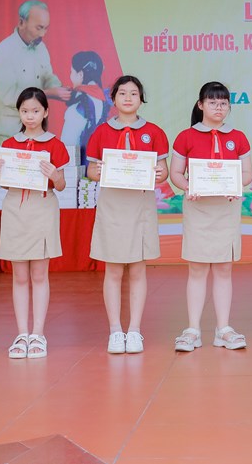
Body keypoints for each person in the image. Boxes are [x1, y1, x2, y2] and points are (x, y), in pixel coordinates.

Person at [85, 75, 169, 354]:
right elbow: (91, 170)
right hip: (112, 205)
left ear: (141, 99)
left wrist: (160, 173)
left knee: (137, 268)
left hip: (140, 205)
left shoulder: (154, 132)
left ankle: (134, 330)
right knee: (112, 269)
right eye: (122, 93)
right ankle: (115, 331)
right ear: (114, 99)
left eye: (134, 93)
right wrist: (97, 172)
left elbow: (163, 171)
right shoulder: (101, 132)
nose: (128, 98)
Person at [169, 81, 252, 352]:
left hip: (226, 209)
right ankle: (193, 330)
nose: (219, 107)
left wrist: (235, 185)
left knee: (223, 269)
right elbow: (176, 173)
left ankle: (223, 329)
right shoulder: (186, 137)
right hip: (198, 208)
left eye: (223, 103)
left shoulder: (238, 137)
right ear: (201, 105)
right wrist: (188, 187)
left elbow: (247, 174)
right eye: (213, 102)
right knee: (197, 269)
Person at [0, 87, 70, 359]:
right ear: (19, 113)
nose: (30, 116)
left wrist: (54, 175)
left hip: (43, 208)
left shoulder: (55, 145)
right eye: (25, 111)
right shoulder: (9, 145)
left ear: (45, 112)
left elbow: (61, 185)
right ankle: (22, 334)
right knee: (20, 276)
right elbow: (5, 183)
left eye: (35, 111)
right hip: (15, 209)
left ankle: (38, 334)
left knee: (39, 275)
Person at [0, 0, 71, 146]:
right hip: (8, 134)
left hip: (36, 133)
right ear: (22, 23)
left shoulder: (41, 48)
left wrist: (61, 89)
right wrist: (49, 93)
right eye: (39, 28)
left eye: (46, 28)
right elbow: (10, 96)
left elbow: (47, 76)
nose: (43, 34)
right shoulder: (2, 52)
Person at [62, 50, 112, 166]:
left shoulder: (77, 107)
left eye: (71, 72)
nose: (70, 76)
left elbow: (67, 150)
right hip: (99, 168)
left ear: (80, 74)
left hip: (81, 172)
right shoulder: (104, 101)